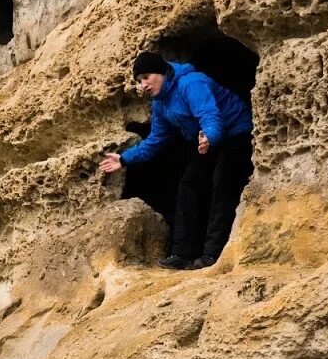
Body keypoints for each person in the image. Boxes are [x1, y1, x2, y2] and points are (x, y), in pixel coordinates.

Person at [100, 51, 254, 269]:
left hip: (235, 132)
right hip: (206, 140)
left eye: (146, 77)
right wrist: (124, 159)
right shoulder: (161, 102)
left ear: (161, 71)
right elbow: (156, 140)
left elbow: (210, 116)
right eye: (139, 81)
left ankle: (212, 253)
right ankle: (182, 253)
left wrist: (210, 136)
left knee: (223, 183)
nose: (143, 84)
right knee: (188, 185)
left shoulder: (191, 83)